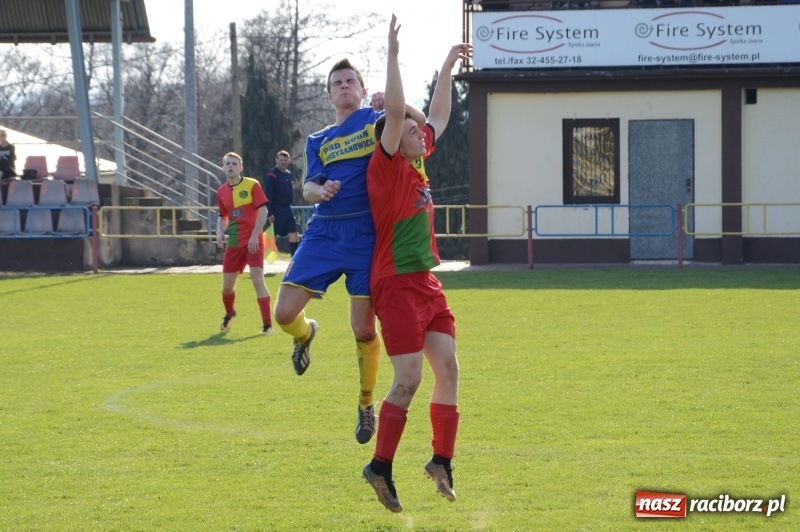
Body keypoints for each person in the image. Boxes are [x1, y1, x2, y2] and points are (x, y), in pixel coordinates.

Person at [273, 56, 426, 445]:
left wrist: (395, 104)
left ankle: (365, 403)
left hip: (365, 234)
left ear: (361, 90)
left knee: (362, 327)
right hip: (324, 230)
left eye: (350, 82)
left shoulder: (372, 120)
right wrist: (319, 191)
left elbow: (417, 121)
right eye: (337, 83)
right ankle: (305, 334)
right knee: (284, 313)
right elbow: (307, 188)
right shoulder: (317, 140)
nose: (344, 86)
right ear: (329, 95)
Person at [361, 15, 471, 513]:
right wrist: (392, 57)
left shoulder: (419, 157)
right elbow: (402, 110)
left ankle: (440, 461)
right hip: (395, 285)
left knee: (447, 367)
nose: (420, 130)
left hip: (426, 284)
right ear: (391, 133)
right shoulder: (384, 167)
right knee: (408, 379)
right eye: (410, 126)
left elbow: (440, 117)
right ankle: (380, 466)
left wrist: (446, 65)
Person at [215, 152, 273, 336]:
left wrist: (255, 235)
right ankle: (230, 313)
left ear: (241, 168)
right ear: (223, 168)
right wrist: (219, 232)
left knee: (257, 280)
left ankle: (267, 325)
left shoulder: (252, 185)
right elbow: (223, 217)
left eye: (234, 163)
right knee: (227, 287)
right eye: (227, 164)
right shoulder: (221, 192)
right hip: (234, 242)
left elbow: (263, 211)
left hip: (253, 242)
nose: (230, 166)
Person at [262, 150, 300, 256]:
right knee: (272, 236)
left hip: (287, 209)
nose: (283, 162)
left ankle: (295, 259)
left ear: (289, 161)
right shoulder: (272, 175)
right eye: (281, 160)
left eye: (285, 160)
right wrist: (269, 213)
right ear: (276, 160)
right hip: (276, 209)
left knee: (294, 234)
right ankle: (268, 259)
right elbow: (268, 195)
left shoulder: (289, 174)